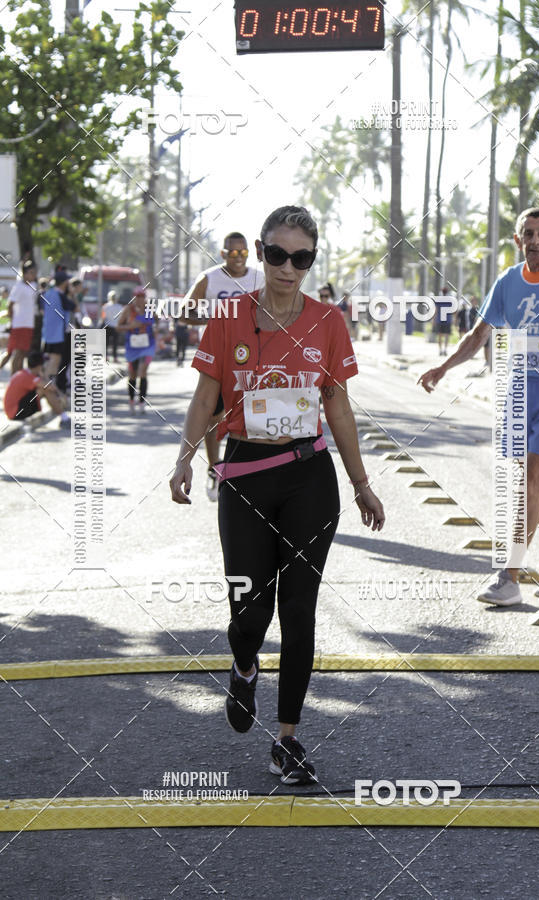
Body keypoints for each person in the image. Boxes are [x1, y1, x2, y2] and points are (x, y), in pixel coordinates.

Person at [170, 205, 385, 785]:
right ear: (261, 253)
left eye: (302, 257)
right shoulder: (229, 316)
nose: (289, 268)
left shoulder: (328, 322)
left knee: (299, 610)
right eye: (278, 254)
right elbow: (205, 397)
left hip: (308, 474)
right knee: (250, 608)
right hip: (244, 475)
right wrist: (185, 459)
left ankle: (287, 739)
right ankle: (244, 665)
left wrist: (362, 482)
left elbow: (337, 404)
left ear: (312, 260)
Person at [419, 207, 539, 605]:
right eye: (527, 234)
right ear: (518, 241)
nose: (535, 240)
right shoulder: (507, 282)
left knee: (529, 483)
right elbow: (479, 333)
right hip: (519, 393)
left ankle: (509, 577)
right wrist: (444, 367)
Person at [180, 232, 265, 501]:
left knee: (252, 413)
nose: (238, 258)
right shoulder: (210, 278)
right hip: (218, 355)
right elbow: (184, 312)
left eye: (243, 253)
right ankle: (215, 467)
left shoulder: (259, 278)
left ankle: (246, 469)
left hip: (253, 356)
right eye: (232, 253)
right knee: (212, 414)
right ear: (223, 254)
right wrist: (217, 318)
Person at [3, 350, 70, 427]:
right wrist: (61, 395)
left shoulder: (25, 373)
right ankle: (64, 418)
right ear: (39, 366)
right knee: (45, 389)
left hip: (16, 409)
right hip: (15, 412)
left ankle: (63, 416)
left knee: (45, 388)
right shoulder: (26, 376)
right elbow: (50, 387)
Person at [118, 287, 155, 414]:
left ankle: (142, 402)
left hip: (148, 345)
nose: (139, 299)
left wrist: (157, 330)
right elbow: (118, 327)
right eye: (137, 296)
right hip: (132, 346)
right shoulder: (128, 309)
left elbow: (157, 321)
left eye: (142, 296)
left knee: (143, 371)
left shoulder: (149, 308)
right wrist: (131, 326)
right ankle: (131, 401)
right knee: (132, 373)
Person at [1, 261, 37, 373]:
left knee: (22, 352)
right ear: (25, 274)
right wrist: (12, 322)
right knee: (14, 352)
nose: (33, 275)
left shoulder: (33, 286)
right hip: (19, 325)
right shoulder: (18, 287)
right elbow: (10, 305)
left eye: (34, 273)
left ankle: (19, 378)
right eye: (31, 273)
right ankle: (14, 378)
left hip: (29, 325)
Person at [41, 270, 70, 389]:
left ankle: (47, 385)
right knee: (55, 360)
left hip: (49, 333)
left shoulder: (48, 293)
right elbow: (75, 307)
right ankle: (47, 386)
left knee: (53, 360)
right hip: (58, 334)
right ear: (64, 282)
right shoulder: (61, 295)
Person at [101, 290, 121, 362]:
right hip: (116, 326)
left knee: (106, 343)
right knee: (115, 343)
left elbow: (103, 317)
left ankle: (106, 357)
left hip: (107, 326)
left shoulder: (105, 306)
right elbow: (120, 318)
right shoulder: (119, 307)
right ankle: (115, 358)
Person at [436, 286, 454, 356]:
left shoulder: (439, 300)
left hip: (440, 320)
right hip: (447, 320)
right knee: (446, 336)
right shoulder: (450, 300)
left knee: (440, 336)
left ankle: (440, 350)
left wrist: (434, 320)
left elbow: (436, 310)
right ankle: (445, 350)